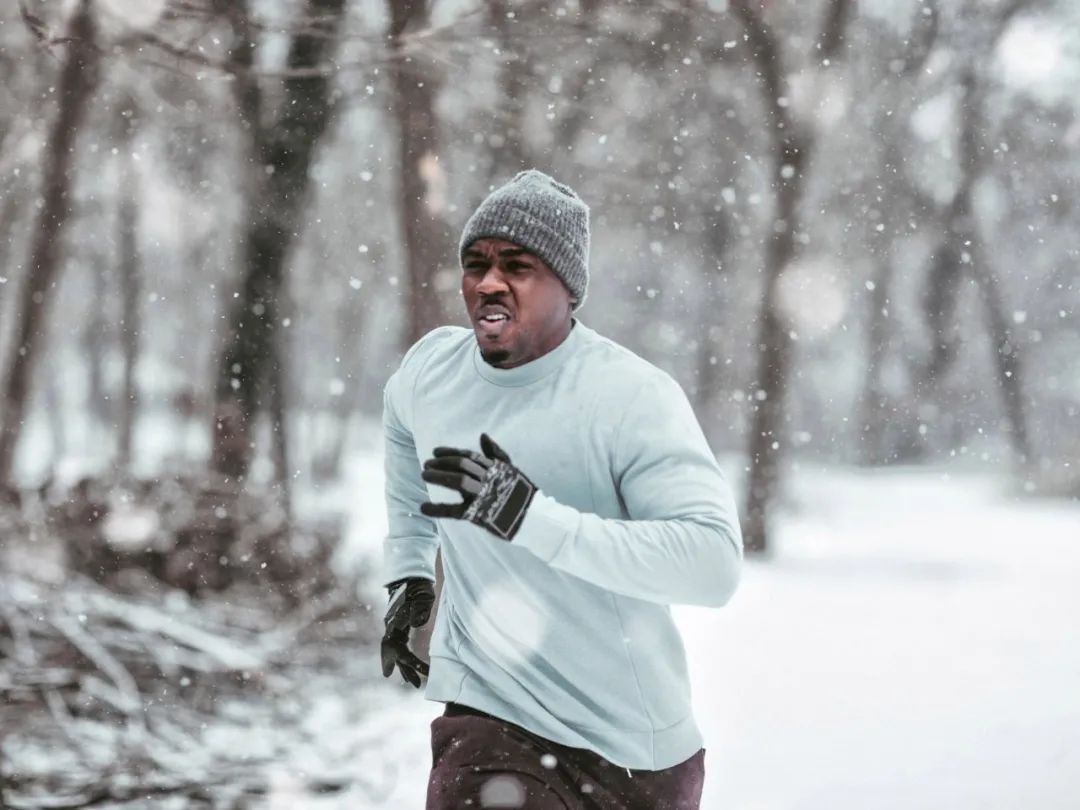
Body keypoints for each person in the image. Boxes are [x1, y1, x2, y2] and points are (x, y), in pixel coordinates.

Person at [380, 170, 743, 809]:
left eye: (516, 266)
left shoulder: (629, 397)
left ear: (567, 289)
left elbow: (711, 565)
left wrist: (530, 517)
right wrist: (410, 571)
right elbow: (403, 435)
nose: (488, 282)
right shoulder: (431, 370)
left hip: (631, 751)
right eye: (476, 264)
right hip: (491, 713)